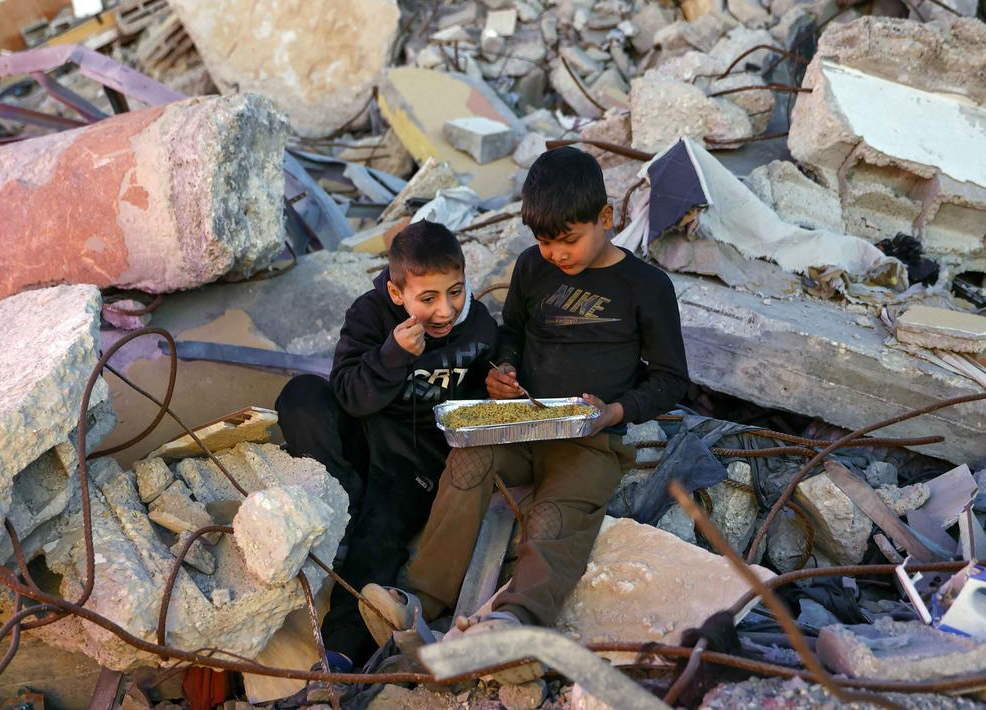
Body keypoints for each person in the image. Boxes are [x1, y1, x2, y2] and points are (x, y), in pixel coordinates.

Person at [373, 146, 690, 647]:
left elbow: (673, 379)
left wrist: (614, 411)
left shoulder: (645, 286)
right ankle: (420, 602)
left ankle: (515, 623)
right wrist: (504, 368)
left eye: (568, 240)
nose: (556, 254)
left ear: (605, 218)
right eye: (544, 242)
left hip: (591, 435)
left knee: (554, 515)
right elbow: (511, 334)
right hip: (519, 420)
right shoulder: (532, 268)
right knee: (467, 462)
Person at [275, 220, 497, 665]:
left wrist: (502, 376)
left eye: (455, 291)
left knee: (378, 542)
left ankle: (340, 651)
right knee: (301, 395)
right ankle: (342, 505)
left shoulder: (478, 326)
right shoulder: (371, 313)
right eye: (428, 298)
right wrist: (391, 355)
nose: (446, 310)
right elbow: (349, 394)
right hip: (362, 432)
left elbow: (480, 396)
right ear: (398, 295)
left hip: (412, 459)